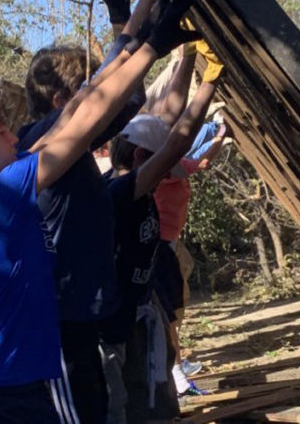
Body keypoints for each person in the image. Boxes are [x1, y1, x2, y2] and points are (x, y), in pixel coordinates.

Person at [0, 0, 198, 424]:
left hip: (9, 396)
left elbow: (80, 104)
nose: (14, 136)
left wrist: (141, 22)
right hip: (9, 403)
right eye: (1, 132)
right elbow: (82, 126)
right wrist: (154, 45)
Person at [13, 0, 163, 424]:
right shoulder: (43, 145)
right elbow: (117, 90)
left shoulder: (57, 145)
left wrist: (133, 10)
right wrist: (140, 11)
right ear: (62, 101)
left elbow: (117, 89)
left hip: (81, 313)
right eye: (83, 89)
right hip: (65, 321)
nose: (97, 94)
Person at [100, 49, 225, 424]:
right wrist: (211, 80)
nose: (166, 173)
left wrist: (187, 59)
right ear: (141, 159)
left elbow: (167, 121)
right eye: (160, 167)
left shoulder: (133, 181)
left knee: (155, 397)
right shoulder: (122, 191)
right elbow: (177, 142)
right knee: (124, 406)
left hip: (139, 310)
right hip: (116, 323)